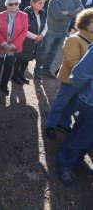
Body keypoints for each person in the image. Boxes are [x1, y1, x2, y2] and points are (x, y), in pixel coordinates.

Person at [44, 8, 93, 140]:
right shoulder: (74, 39)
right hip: (71, 79)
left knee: (74, 104)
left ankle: (63, 123)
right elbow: (72, 63)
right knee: (61, 102)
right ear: (85, 23)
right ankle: (50, 124)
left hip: (85, 80)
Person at [56, 44, 93, 185]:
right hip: (90, 103)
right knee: (82, 137)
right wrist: (85, 94)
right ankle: (63, 163)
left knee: (89, 139)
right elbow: (80, 74)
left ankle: (77, 159)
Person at [34, 0, 84, 79]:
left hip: (63, 31)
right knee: (45, 50)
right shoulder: (54, 0)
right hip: (50, 30)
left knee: (54, 51)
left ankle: (46, 70)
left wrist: (67, 12)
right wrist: (73, 12)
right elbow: (58, 16)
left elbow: (82, 12)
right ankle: (37, 70)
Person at [0, 0, 28, 95]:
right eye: (11, 4)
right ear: (6, 5)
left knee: (9, 66)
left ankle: (3, 85)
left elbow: (24, 32)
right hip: (0, 45)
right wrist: (3, 43)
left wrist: (13, 45)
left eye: (16, 3)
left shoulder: (24, 15)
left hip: (14, 47)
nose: (14, 6)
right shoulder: (0, 15)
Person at [13, 0, 47, 84]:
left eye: (43, 3)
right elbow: (23, 29)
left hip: (35, 41)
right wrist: (35, 37)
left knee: (27, 58)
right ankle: (15, 76)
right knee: (20, 59)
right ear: (33, 3)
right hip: (24, 40)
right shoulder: (26, 14)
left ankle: (21, 75)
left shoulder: (42, 13)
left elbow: (46, 25)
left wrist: (42, 35)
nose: (42, 5)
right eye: (40, 3)